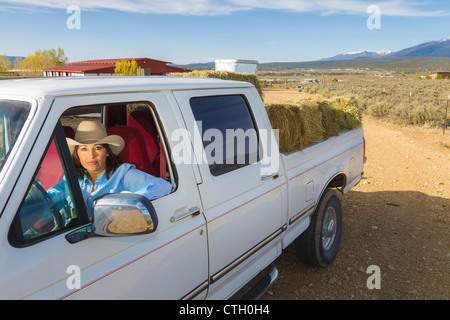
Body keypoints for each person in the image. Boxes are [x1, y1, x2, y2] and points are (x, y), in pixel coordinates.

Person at [48, 120, 172, 218]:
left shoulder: (122, 174)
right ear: (77, 153)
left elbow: (163, 186)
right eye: (84, 149)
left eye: (98, 148)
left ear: (107, 152)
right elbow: (49, 199)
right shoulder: (71, 178)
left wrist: (122, 204)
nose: (91, 155)